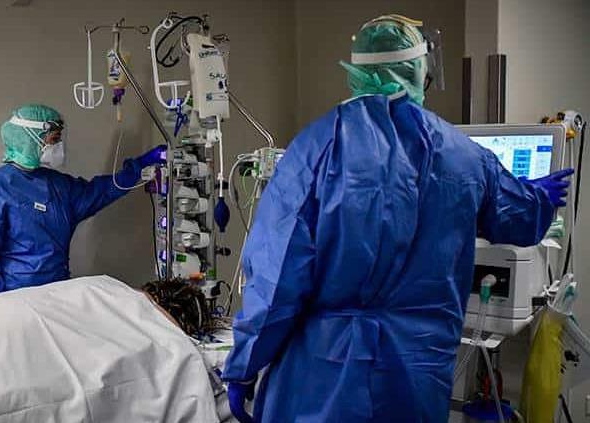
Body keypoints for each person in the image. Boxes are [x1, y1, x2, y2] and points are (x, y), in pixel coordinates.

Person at [222, 15, 574, 423]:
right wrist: (540, 198)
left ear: (357, 72)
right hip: (415, 375)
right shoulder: (465, 155)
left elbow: (277, 278)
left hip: (327, 378)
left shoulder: (315, 150)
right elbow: (520, 220)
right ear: (420, 73)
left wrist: (243, 366)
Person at [0, 104, 166, 300]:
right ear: (32, 139)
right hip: (16, 298)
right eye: (54, 139)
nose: (59, 146)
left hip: (57, 293)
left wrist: (141, 165)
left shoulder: (58, 186)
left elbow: (100, 192)